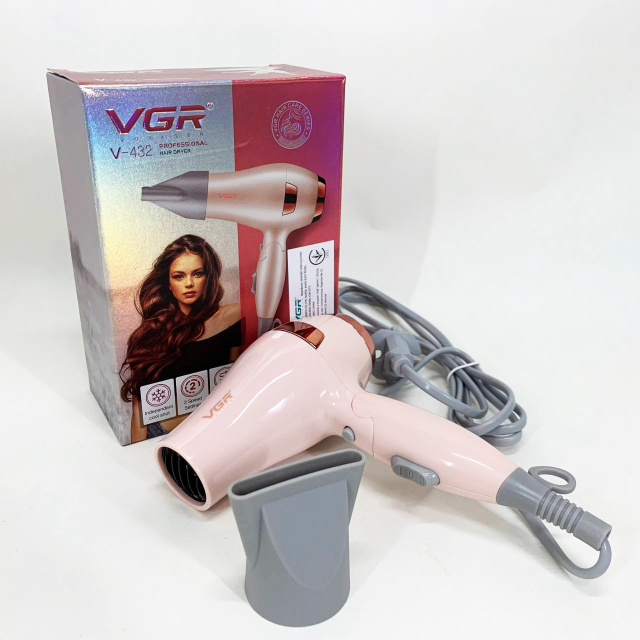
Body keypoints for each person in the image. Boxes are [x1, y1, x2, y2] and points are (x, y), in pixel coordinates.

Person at [120, 235, 241, 442]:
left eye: (197, 274)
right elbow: (139, 411)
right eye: (179, 276)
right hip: (159, 433)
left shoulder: (231, 318)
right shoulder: (150, 334)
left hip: (213, 428)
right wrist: (136, 453)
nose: (189, 283)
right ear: (168, 283)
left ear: (209, 277)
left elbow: (236, 385)